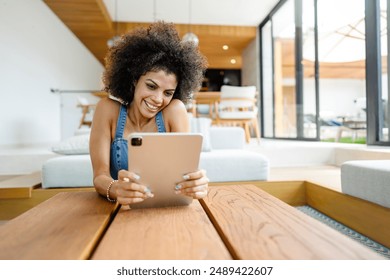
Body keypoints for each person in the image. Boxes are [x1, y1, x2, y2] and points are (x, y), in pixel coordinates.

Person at [90, 21, 209, 206]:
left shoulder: (174, 112)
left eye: (168, 93)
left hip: (166, 209)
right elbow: (99, 177)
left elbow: (185, 174)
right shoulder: (107, 110)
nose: (158, 99)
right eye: (151, 86)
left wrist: (196, 183)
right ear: (135, 80)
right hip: (117, 211)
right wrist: (115, 188)